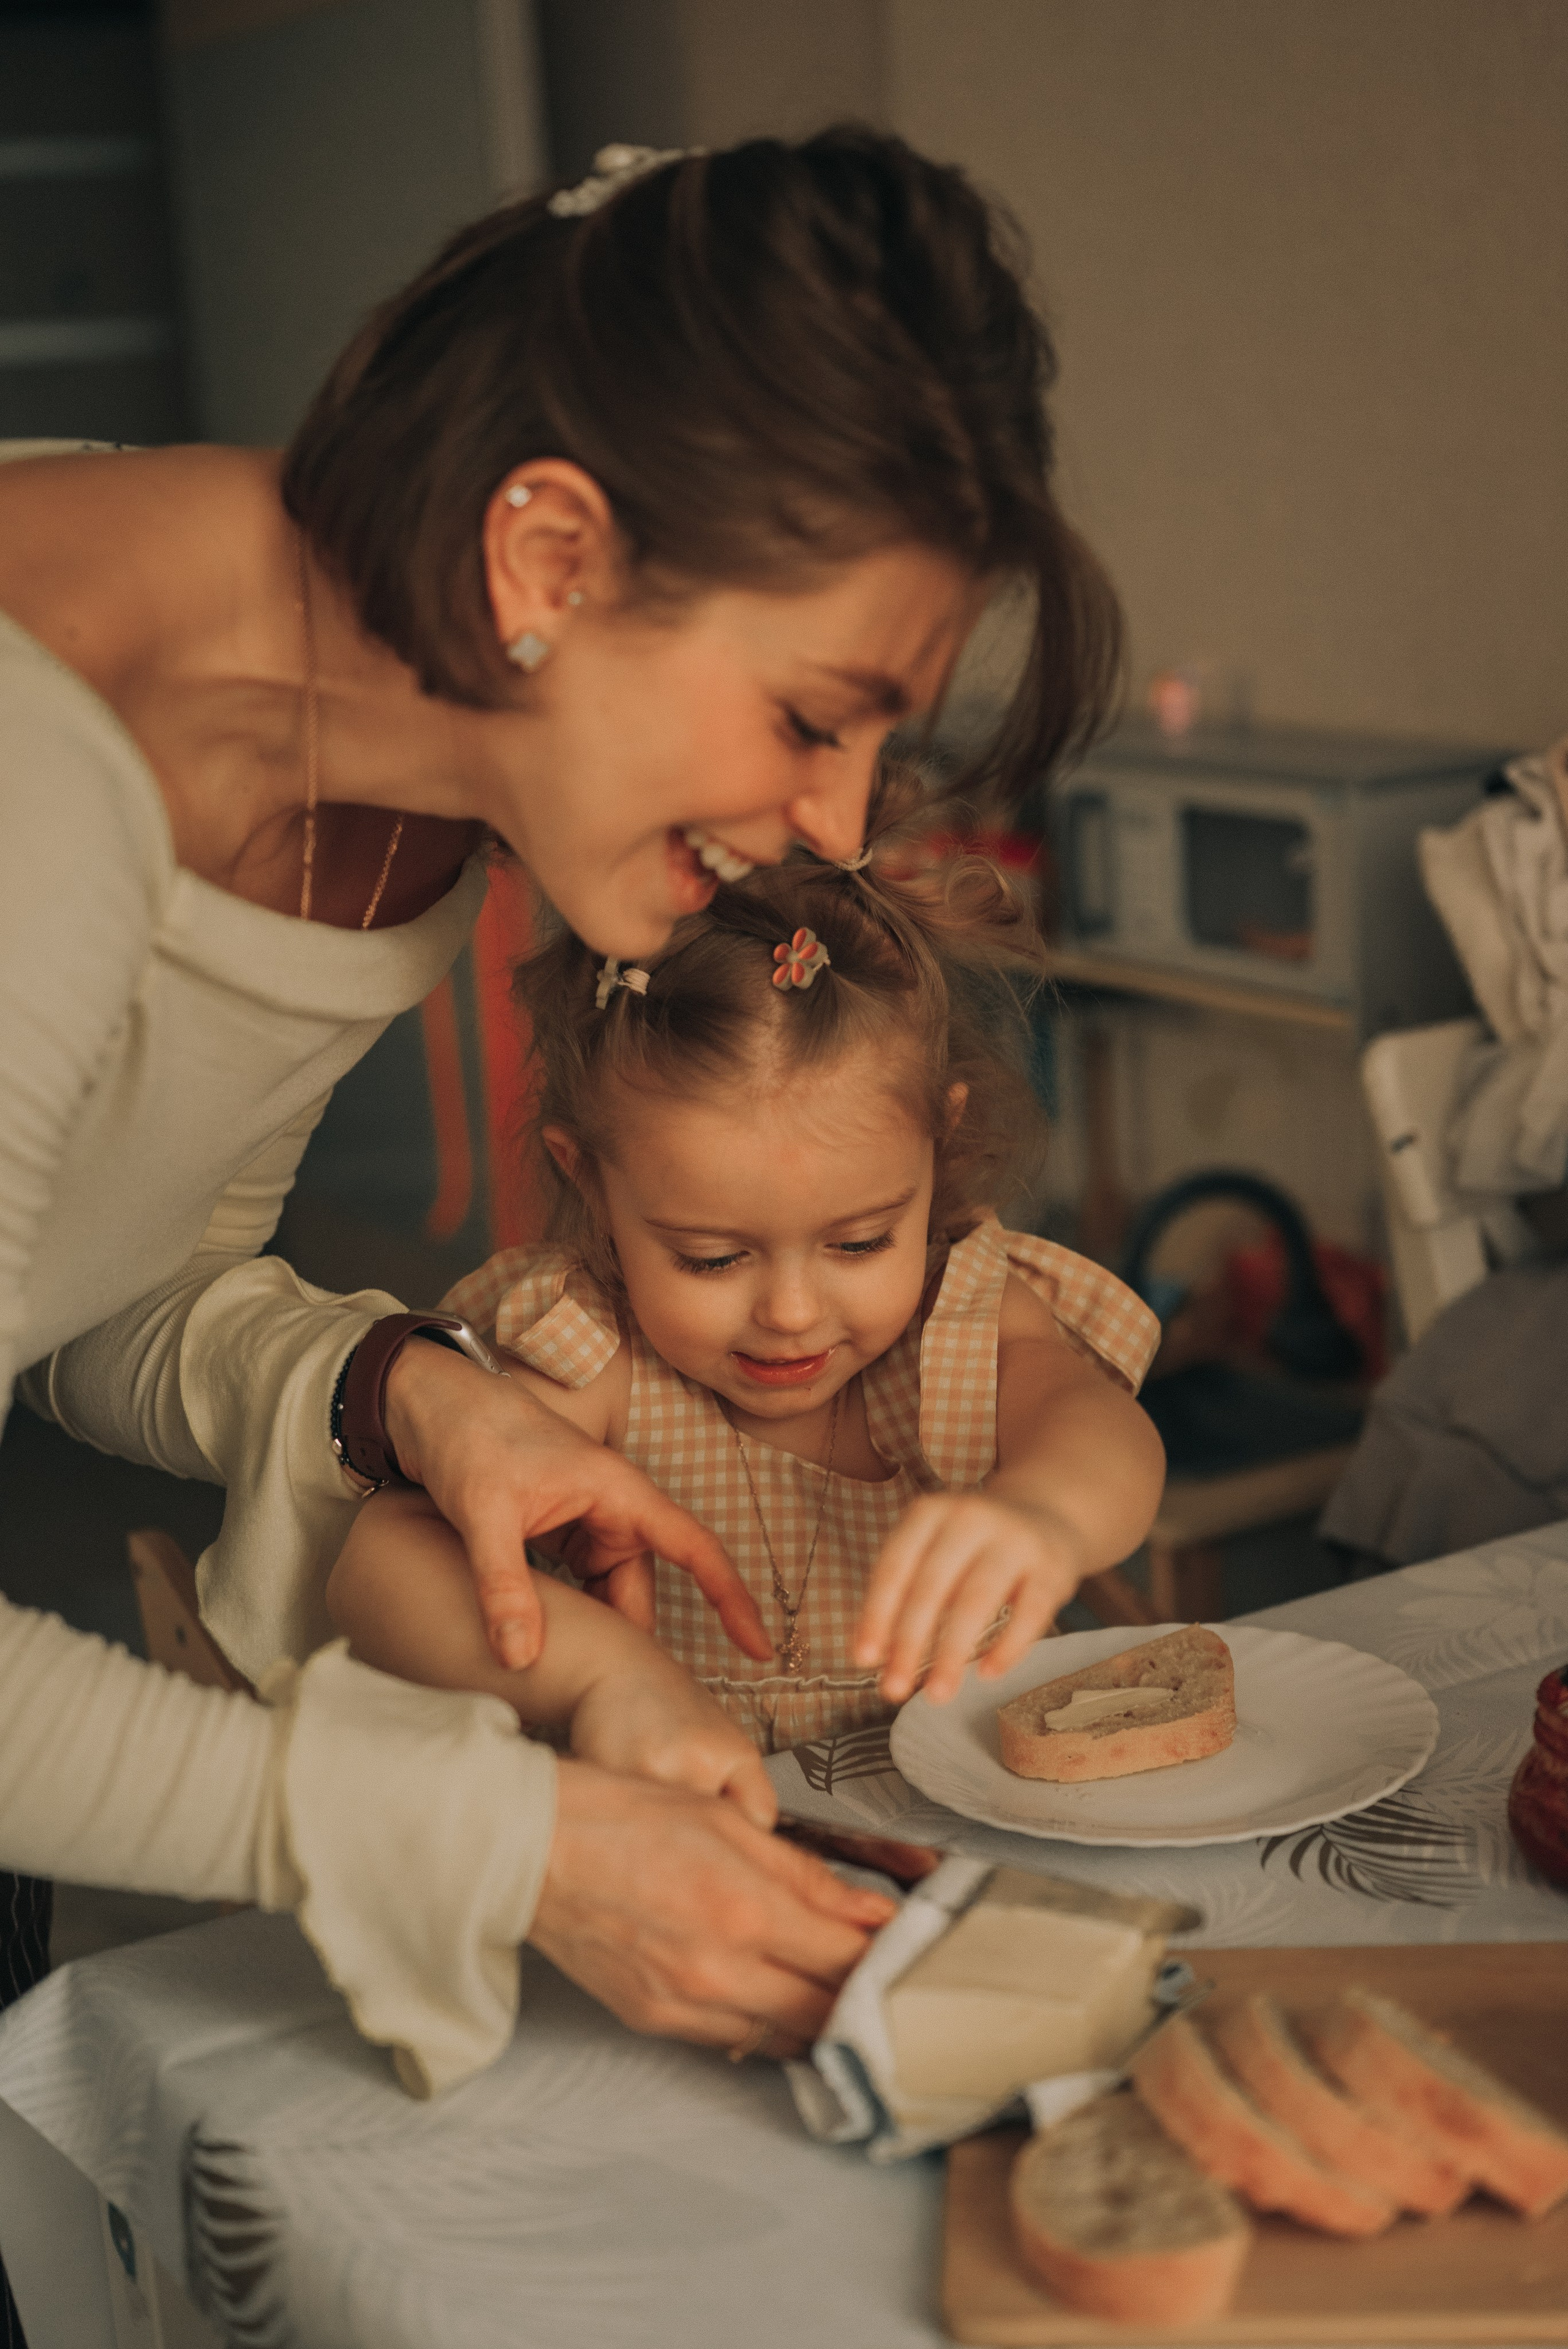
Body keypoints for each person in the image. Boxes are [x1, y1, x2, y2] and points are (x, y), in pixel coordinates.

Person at [0, 127, 1121, 2296]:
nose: (838, 826)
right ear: (546, 551)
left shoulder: (399, 815)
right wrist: (492, 1835)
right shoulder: (32, 746)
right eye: (815, 717)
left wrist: (404, 1390)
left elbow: (89, 1302)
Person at [325, 783, 1166, 1754]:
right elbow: (379, 1572)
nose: (794, 1312)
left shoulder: (963, 1313)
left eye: (859, 1243)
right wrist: (603, 1682)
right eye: (712, 1258)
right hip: (707, 1854)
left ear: (940, 1145)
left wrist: (1045, 1516)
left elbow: (1104, 1435)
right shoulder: (594, 1355)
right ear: (589, 1181)